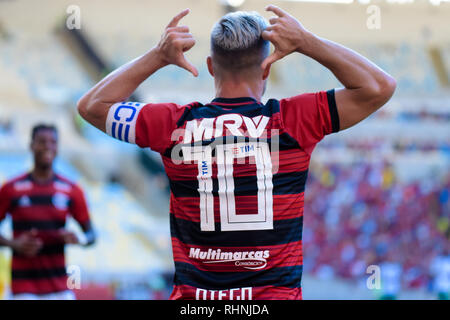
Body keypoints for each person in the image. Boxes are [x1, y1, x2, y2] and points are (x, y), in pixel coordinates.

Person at [78, 5, 396, 300]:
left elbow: (92, 106)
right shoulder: (294, 121)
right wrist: (307, 42)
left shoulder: (172, 125)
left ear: (211, 67)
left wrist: (158, 56)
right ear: (266, 68)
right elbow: (379, 87)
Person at [0, 124, 96, 300]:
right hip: (23, 288)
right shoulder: (11, 189)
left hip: (59, 287)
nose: (48, 147)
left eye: (53, 142)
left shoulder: (71, 190)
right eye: (42, 142)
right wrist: (14, 244)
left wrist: (79, 239)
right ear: (31, 146)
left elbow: (91, 235)